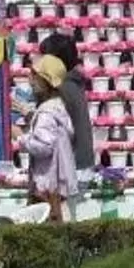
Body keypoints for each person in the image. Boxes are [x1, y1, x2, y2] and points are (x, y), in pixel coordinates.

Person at [16, 53, 81, 222]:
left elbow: (44, 146)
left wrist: (20, 137)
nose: (30, 80)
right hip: (61, 187)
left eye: (34, 76)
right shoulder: (58, 107)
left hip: (49, 187)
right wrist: (30, 116)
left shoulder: (47, 112)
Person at [35, 29, 96, 174]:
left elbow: (54, 127)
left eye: (44, 56)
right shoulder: (72, 84)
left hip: (70, 166)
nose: (40, 61)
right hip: (78, 163)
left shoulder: (63, 88)